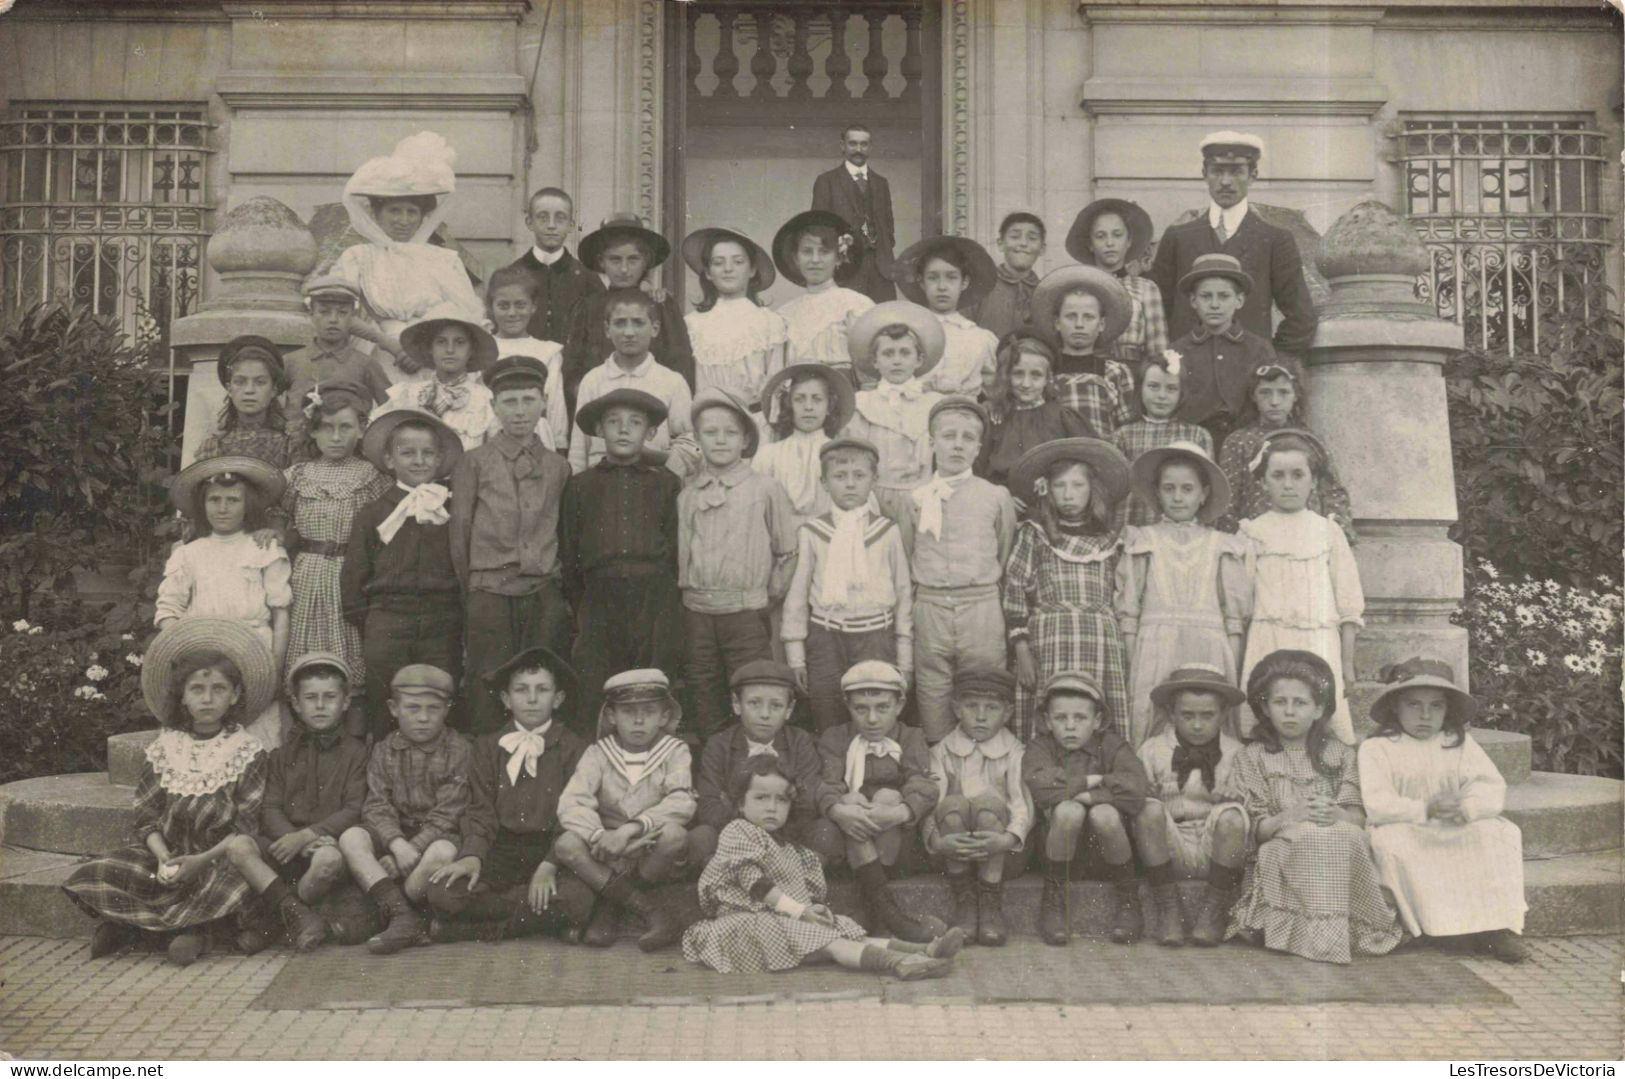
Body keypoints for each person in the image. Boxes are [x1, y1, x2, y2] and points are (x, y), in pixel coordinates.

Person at [65, 620, 274, 966]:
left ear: (235, 695)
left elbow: (246, 829)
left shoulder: (247, 750)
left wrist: (199, 861)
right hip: (168, 857)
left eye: (219, 689)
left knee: (232, 887)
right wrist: (163, 857)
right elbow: (146, 816)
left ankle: (179, 931)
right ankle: (154, 927)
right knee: (99, 870)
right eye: (197, 689)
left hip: (217, 861)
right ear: (182, 696)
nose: (207, 699)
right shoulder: (166, 747)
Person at [682, 758, 963, 979]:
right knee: (832, 943)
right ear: (740, 803)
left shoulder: (791, 850)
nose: (772, 807)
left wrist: (814, 909)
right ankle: (901, 963)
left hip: (783, 921)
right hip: (745, 925)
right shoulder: (738, 832)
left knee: (847, 932)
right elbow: (755, 884)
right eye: (761, 798)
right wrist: (801, 912)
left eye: (781, 800)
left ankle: (925, 950)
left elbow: (800, 894)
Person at [1221, 650, 1402, 965]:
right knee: (1307, 837)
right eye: (1280, 703)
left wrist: (1338, 815)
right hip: (1282, 842)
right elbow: (1258, 832)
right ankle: (1313, 938)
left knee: (1342, 835)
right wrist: (1291, 816)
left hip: (1337, 835)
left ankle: (1332, 935)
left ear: (1319, 709)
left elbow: (1358, 818)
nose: (1289, 712)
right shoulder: (1253, 757)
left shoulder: (1342, 755)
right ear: (1265, 707)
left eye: (1301, 703)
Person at [1359, 657, 1529, 963]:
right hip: (1406, 823)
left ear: (1447, 709)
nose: (1425, 715)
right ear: (1395, 706)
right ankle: (1426, 927)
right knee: (1393, 845)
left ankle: (1495, 929)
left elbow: (1488, 785)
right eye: (1414, 705)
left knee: (1499, 834)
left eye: (1436, 706)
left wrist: (1467, 808)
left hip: (1453, 822)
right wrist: (1424, 808)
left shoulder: (1457, 742)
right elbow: (1377, 802)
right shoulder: (1378, 748)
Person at [424, 647, 594, 943]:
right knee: (442, 893)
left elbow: (575, 815)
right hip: (500, 849)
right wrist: (472, 857)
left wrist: (550, 864)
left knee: (579, 898)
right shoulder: (488, 747)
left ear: (558, 699)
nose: (531, 699)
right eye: (521, 690)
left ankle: (479, 930)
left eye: (542, 690)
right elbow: (480, 810)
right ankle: (538, 918)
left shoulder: (574, 748)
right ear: (506, 698)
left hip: (549, 849)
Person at [449, 355, 574, 735]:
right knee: (488, 683)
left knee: (543, 682)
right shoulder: (474, 462)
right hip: (490, 592)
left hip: (542, 592)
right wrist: (472, 590)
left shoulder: (559, 467)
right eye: (510, 402)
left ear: (542, 403)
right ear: (493, 407)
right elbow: (460, 532)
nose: (520, 411)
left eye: (528, 400)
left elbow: (564, 533)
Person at [559, 388, 685, 733]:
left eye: (635, 422)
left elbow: (677, 547)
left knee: (652, 678)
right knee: (594, 680)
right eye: (614, 422)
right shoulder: (581, 485)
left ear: (651, 432)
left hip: (654, 596)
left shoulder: (666, 484)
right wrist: (581, 602)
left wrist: (666, 596)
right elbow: (570, 550)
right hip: (599, 597)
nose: (624, 430)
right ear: (599, 431)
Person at [678, 388, 799, 741]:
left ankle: (753, 765)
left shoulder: (764, 489)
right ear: (698, 438)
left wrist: (766, 596)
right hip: (697, 612)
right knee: (704, 689)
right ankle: (714, 764)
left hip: (745, 613)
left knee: (751, 686)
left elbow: (787, 551)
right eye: (710, 433)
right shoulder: (687, 493)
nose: (720, 441)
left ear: (745, 439)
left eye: (730, 433)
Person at [229, 652, 368, 954]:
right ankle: (297, 914)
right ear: (296, 703)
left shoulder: (357, 753)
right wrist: (291, 838)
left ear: (345, 702)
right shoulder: (280, 755)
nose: (320, 705)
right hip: (284, 845)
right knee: (240, 846)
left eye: (329, 697)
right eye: (311, 698)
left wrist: (308, 836)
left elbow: (354, 808)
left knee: (327, 860)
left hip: (326, 845)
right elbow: (270, 807)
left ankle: (278, 921)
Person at [1021, 672, 1171, 947]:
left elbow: (1137, 788)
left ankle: (1128, 898)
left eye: (1080, 718)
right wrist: (1097, 780)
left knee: (1104, 812)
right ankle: (1053, 900)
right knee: (1068, 811)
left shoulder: (1111, 745)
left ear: (1097, 720)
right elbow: (1040, 787)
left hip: (1109, 855)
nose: (1070, 727)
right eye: (1060, 718)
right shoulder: (1040, 747)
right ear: (1046, 720)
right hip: (1061, 856)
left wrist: (1088, 796)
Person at [1116, 442, 1249, 747]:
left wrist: (1233, 665)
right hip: (1155, 645)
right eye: (1169, 488)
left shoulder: (1222, 544)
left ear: (1203, 494)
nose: (1178, 497)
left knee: (1206, 719)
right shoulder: (1142, 540)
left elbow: (1233, 618)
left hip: (1208, 645)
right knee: (1153, 720)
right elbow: (1130, 610)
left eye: (1187, 489)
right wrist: (1134, 657)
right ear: (1157, 493)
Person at [343, 408, 465, 740]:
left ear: (440, 460)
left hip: (442, 619)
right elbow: (354, 574)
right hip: (388, 619)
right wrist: (370, 620)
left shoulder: (451, 509)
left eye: (428, 454)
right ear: (390, 459)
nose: (418, 460)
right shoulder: (373, 513)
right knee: (385, 703)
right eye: (408, 452)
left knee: (439, 696)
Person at [552, 669, 695, 952]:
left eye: (649, 711)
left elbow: (682, 801)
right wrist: (599, 836)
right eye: (628, 711)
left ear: (664, 717)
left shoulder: (675, 751)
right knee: (566, 843)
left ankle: (611, 903)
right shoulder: (598, 753)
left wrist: (630, 831)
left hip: (648, 843)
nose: (639, 720)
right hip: (606, 849)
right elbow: (572, 802)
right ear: (611, 716)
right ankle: (647, 908)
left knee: (675, 835)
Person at [157, 456, 292, 749]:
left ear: (248, 505)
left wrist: (274, 667)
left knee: (256, 733)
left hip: (255, 654)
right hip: (203, 656)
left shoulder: (263, 548)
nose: (223, 508)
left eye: (233, 500)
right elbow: (168, 610)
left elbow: (280, 613)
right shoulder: (188, 553)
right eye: (214, 499)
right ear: (202, 505)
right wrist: (183, 653)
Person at [1239, 431, 1364, 744]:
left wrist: (1347, 664)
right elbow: (1241, 603)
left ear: (1313, 481)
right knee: (1270, 711)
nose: (1288, 484)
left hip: (1317, 641)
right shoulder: (1253, 532)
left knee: (1318, 716)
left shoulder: (1328, 531)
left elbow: (1348, 602)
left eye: (1298, 475)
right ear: (1263, 482)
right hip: (1268, 640)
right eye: (1278, 475)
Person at [282, 379, 392, 735]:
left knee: (350, 657)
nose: (336, 436)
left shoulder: (373, 478)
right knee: (304, 657)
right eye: (326, 428)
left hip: (351, 575)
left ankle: (352, 743)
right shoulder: (297, 476)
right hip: (308, 573)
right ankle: (303, 743)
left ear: (361, 430)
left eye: (346, 427)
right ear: (312, 432)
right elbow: (276, 517)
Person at [1003, 438, 1132, 741]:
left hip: (1100, 638)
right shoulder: (1035, 534)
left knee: (1095, 709)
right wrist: (1022, 649)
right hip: (1050, 637)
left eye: (1077, 486)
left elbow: (1121, 593)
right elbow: (1014, 588)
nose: (1068, 494)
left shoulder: (1110, 541)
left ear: (1093, 490)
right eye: (1060, 486)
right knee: (1051, 710)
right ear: (1046, 488)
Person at [329, 131, 485, 382]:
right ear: (377, 214)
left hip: (435, 361)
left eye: (411, 212)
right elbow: (339, 311)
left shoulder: (445, 260)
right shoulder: (358, 257)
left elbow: (466, 316)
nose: (403, 221)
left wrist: (421, 349)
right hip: (380, 355)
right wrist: (391, 345)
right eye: (394, 211)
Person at [336, 664, 471, 954]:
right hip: (394, 837)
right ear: (393, 708)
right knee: (351, 838)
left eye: (433, 709)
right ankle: (402, 915)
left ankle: (393, 910)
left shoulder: (459, 750)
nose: (423, 718)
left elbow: (448, 813)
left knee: (442, 854)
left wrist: (410, 851)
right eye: (412, 708)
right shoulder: (384, 749)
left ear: (447, 709)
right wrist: (396, 844)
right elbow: (377, 804)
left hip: (436, 837)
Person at [781, 438, 913, 732]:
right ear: (824, 482)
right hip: (826, 637)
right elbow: (798, 596)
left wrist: (904, 658)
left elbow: (904, 594)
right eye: (840, 477)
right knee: (827, 711)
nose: (850, 485)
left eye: (859, 476)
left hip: (876, 637)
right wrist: (796, 656)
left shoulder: (887, 531)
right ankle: (832, 773)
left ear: (874, 480)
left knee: (874, 712)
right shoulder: (813, 532)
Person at [1147, 131, 1318, 358]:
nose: (1226, 181)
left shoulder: (1275, 240)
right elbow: (1156, 312)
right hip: (1188, 375)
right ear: (1204, 174)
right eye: (1217, 171)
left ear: (1253, 175)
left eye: (1237, 171)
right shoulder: (1178, 238)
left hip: (1249, 377)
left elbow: (1302, 317)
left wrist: (1270, 361)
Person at [906, 398, 1018, 743]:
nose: (957, 444)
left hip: (980, 606)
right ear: (932, 442)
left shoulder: (995, 496)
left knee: (983, 692)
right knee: (933, 689)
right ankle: (941, 773)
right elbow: (909, 550)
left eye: (968, 438)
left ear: (978, 447)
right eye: (948, 435)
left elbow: (1004, 548)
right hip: (931, 606)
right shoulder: (915, 498)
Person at [815, 660, 945, 943]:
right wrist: (840, 810)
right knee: (853, 801)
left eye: (882, 708)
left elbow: (924, 785)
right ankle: (892, 917)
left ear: (899, 705)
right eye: (860, 709)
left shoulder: (911, 737)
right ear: (847, 706)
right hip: (849, 836)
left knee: (888, 795)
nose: (872, 719)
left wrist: (899, 812)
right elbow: (828, 783)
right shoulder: (836, 738)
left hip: (897, 843)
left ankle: (872, 906)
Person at [1135, 665, 1249, 947]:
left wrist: (1235, 795)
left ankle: (1213, 909)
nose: (1197, 725)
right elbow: (1139, 797)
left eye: (1207, 716)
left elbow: (1250, 800)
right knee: (1146, 809)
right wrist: (1149, 792)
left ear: (1223, 715)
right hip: (1171, 846)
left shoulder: (1237, 752)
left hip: (1217, 850)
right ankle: (1168, 907)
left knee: (1234, 816)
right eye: (1187, 716)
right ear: (1172, 714)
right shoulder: (1152, 749)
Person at [692, 660, 844, 867]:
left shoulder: (800, 742)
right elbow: (709, 804)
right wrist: (752, 831)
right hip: (736, 836)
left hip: (788, 833)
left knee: (825, 832)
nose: (765, 714)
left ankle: (788, 879)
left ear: (789, 710)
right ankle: (744, 879)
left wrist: (775, 828)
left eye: (776, 705)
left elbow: (807, 800)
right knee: (702, 837)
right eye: (754, 703)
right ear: (737, 704)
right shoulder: (719, 745)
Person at [921, 667, 1032, 947]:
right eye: (971, 706)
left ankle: (990, 901)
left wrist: (1008, 838)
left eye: (992, 708)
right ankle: (965, 901)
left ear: (1007, 713)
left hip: (1002, 852)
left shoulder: (1016, 752)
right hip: (952, 848)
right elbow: (929, 803)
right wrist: (935, 840)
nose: (981, 716)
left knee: (987, 804)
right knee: (952, 803)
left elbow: (1021, 804)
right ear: (957, 708)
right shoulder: (941, 752)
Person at [562, 212, 696, 416]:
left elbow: (680, 364)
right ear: (601, 262)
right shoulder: (587, 308)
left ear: (646, 261)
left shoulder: (660, 304)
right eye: (615, 260)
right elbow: (572, 370)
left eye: (633, 259)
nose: (624, 269)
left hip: (654, 413)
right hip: (601, 413)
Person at [1216, 358, 1355, 542]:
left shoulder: (1310, 441)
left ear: (1296, 395)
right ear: (1253, 396)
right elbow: (1227, 501)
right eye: (1265, 393)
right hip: (1258, 539)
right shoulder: (1238, 442)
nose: (1274, 401)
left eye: (1283, 393)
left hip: (1307, 539)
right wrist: (1232, 544)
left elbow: (1333, 492)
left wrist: (1337, 536)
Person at [568, 289, 696, 475]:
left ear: (655, 328)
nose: (629, 332)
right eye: (620, 323)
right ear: (606, 330)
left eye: (638, 323)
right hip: (601, 482)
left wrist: (652, 456)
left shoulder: (672, 382)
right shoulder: (593, 380)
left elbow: (694, 446)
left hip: (653, 481)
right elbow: (579, 448)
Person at [842, 301, 946, 521]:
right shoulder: (861, 404)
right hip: (875, 499)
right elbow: (855, 457)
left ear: (919, 360)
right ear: (875, 361)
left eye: (904, 353)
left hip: (923, 497)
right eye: (888, 354)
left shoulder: (934, 404)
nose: (896, 361)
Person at [1166, 253, 1278, 450]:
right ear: (1193, 301)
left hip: (1247, 441)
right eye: (1206, 296)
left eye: (1224, 296)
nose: (1215, 304)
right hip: (1194, 440)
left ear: (1239, 300)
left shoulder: (1258, 349)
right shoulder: (1177, 351)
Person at [683, 226, 788, 409]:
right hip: (706, 419)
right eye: (718, 263)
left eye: (738, 262)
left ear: (752, 270)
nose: (728, 269)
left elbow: (776, 383)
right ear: (707, 273)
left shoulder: (769, 322)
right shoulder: (692, 324)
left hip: (756, 422)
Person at [1030, 265, 1138, 439]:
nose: (1079, 324)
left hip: (1100, 454)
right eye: (1071, 316)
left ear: (1101, 324)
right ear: (1057, 322)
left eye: (1088, 317)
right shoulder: (1045, 370)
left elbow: (1127, 429)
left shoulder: (1116, 372)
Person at [1065, 199, 1168, 374]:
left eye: (1117, 234)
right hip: (1087, 374)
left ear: (1129, 241)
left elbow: (1158, 351)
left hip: (1133, 375)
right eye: (1100, 236)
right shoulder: (1078, 288)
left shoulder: (1146, 289)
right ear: (1090, 244)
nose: (1110, 243)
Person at [771, 209, 874, 384]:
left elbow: (869, 371)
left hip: (845, 398)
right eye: (807, 251)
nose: (815, 259)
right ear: (796, 258)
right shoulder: (785, 314)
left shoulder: (855, 305)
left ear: (839, 257)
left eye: (824, 251)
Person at [1111, 353, 1214, 528]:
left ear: (1182, 393)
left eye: (1171, 388)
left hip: (1182, 533)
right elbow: (1114, 489)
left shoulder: (1198, 436)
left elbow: (1207, 489)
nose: (1161, 395)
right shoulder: (1123, 435)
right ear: (1140, 388)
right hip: (1134, 526)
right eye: (1153, 386)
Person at [890, 236, 1000, 398]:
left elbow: (994, 389)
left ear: (964, 283)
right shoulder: (908, 333)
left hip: (965, 417)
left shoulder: (980, 338)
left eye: (951, 277)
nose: (942, 287)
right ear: (921, 282)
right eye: (933, 278)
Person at [982, 335, 1096, 490]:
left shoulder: (1063, 418)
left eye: (1036, 375)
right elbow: (979, 469)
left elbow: (1085, 466)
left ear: (1048, 379)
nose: (1026, 384)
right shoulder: (995, 417)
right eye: (1018, 374)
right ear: (1006, 376)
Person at [282, 276, 392, 435]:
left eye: (342, 313)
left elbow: (391, 408)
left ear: (353, 317)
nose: (333, 320)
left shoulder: (365, 364)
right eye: (324, 312)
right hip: (295, 450)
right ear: (311, 314)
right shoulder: (291, 361)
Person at [754, 362, 857, 526]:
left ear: (829, 406)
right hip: (782, 541)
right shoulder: (769, 455)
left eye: (817, 399)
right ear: (788, 405)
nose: (808, 407)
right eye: (799, 399)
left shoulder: (842, 456)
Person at [375, 316, 500, 451]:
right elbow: (376, 436)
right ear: (430, 348)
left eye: (460, 342)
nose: (450, 350)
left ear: (471, 350)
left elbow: (494, 454)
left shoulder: (485, 400)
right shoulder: (407, 394)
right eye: (441, 342)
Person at [484, 265, 570, 451]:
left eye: (520, 305)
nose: (512, 313)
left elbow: (555, 404)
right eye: (503, 305)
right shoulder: (483, 348)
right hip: (491, 438)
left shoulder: (547, 351)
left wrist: (559, 443)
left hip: (536, 440)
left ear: (533, 306)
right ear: (491, 307)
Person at [505, 186, 603, 347]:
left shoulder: (587, 279)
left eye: (560, 218)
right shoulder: (512, 275)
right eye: (543, 218)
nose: (551, 225)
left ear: (571, 225)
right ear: (530, 223)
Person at [811, 123, 896, 303]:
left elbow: (888, 227)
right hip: (846, 268)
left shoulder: (881, 183)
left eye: (864, 144)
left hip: (880, 268)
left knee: (882, 320)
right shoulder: (827, 181)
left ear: (870, 147)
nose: (859, 149)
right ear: (843, 146)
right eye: (853, 144)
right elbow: (819, 229)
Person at [196, 335, 301, 476]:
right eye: (240, 382)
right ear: (229, 388)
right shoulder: (214, 445)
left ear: (274, 389)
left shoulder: (290, 445)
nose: (249, 390)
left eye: (260, 382)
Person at [973, 211, 1045, 342]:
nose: (1023, 243)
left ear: (1042, 248)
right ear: (1000, 243)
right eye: (1015, 236)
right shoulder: (980, 287)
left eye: (1032, 238)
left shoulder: (1046, 292)